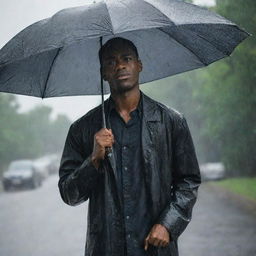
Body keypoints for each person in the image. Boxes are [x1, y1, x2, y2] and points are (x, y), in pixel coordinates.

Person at [58, 37, 201, 256]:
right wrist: (94, 159)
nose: (120, 65)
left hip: (155, 248)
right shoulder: (83, 129)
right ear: (103, 73)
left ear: (139, 65)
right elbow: (69, 193)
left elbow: (188, 181)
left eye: (127, 58)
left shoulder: (171, 121)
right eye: (111, 62)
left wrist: (168, 224)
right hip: (106, 249)